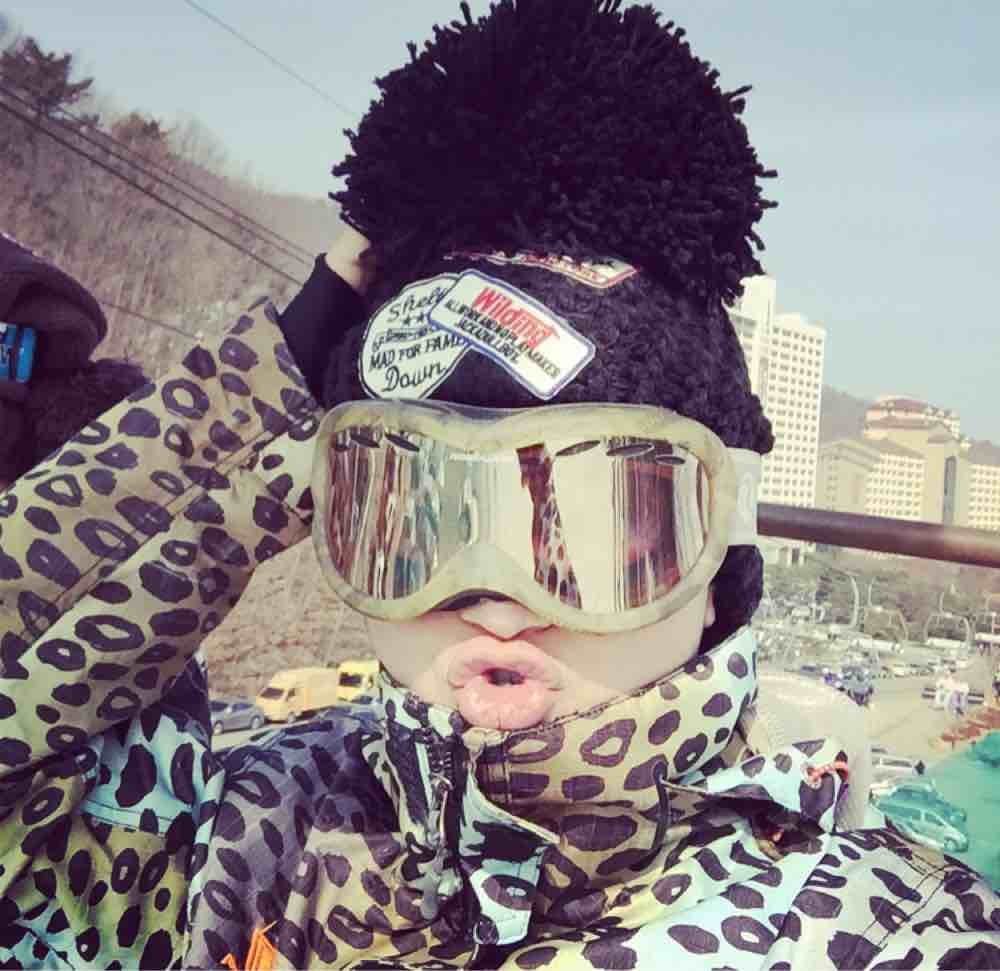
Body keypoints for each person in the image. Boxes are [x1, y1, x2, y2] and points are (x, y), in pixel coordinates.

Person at [3, 3, 1000, 969]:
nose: (495, 598)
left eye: (594, 526)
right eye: (412, 516)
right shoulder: (244, 836)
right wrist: (255, 399)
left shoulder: (875, 933)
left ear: (713, 560)